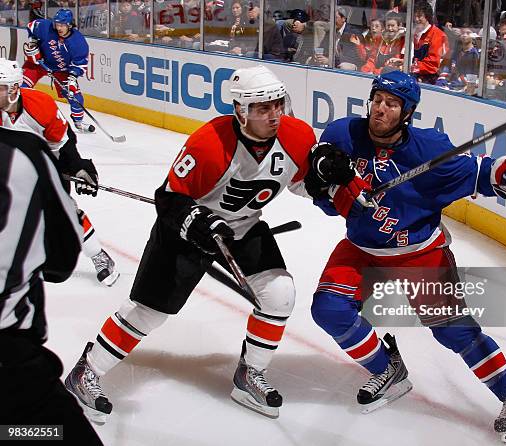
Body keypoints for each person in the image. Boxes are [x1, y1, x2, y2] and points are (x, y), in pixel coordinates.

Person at [64, 65, 317, 421]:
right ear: (241, 110)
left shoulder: (297, 135)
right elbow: (168, 198)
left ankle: (250, 374)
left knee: (280, 294)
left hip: (242, 229)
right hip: (185, 234)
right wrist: (195, 220)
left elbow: (301, 181)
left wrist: (324, 178)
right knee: (150, 312)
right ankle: (86, 372)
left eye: (277, 104)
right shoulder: (208, 143)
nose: (274, 114)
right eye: (263, 108)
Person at [304, 70, 506, 442]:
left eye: (392, 104)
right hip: (362, 249)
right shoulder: (341, 135)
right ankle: (388, 370)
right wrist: (332, 189)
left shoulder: (429, 151)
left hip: (418, 253)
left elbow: (482, 172)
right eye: (377, 99)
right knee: (328, 310)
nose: (381, 109)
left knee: (453, 332)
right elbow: (320, 195)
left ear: (408, 112)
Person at [0, 125, 102, 444]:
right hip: (11, 367)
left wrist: (73, 162)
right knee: (41, 433)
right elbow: (59, 264)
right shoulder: (23, 153)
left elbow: (62, 138)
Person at [0, 58, 119, 287]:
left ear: (15, 89)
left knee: (65, 213)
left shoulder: (40, 105)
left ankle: (98, 256)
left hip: (45, 162)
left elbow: (63, 145)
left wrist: (78, 167)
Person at [21, 8, 94, 133]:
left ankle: (79, 122)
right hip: (40, 63)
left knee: (75, 97)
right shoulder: (45, 27)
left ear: (70, 25)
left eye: (62, 25)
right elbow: (31, 26)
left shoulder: (78, 42)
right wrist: (33, 43)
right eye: (57, 24)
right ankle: (17, 117)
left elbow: (79, 64)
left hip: (62, 71)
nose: (58, 27)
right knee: (21, 87)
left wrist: (72, 79)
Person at [411, 1, 449, 84]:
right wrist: (403, 62)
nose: (416, 19)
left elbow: (432, 65)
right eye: (415, 16)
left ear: (427, 16)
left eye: (419, 16)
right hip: (416, 74)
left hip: (431, 79)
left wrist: (411, 67)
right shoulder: (414, 33)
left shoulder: (438, 34)